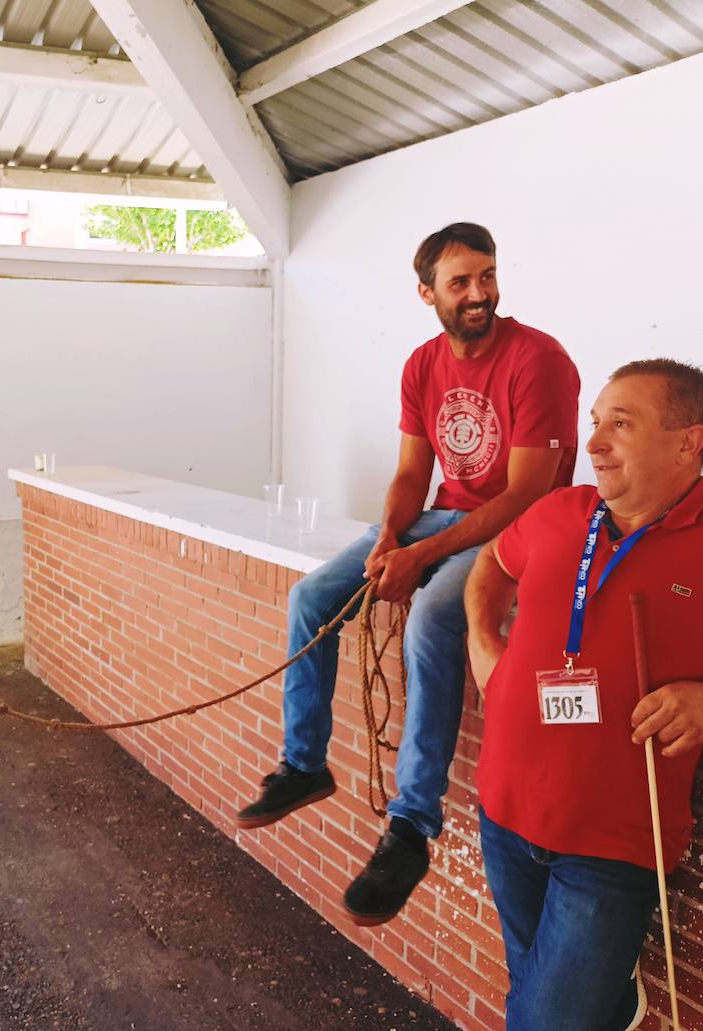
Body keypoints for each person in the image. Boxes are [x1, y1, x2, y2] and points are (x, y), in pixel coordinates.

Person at [234, 222, 581, 927]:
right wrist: (391, 537)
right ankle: (304, 764)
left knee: (430, 620)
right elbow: (411, 473)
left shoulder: (538, 359)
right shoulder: (423, 364)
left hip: (520, 530)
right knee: (312, 597)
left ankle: (411, 825)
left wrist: (419, 558)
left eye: (487, 276)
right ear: (427, 293)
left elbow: (526, 495)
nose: (479, 293)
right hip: (442, 517)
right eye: (461, 282)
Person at [464, 359, 703, 1030]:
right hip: (503, 811)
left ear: (688, 442)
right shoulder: (559, 512)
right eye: (595, 422)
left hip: (611, 844)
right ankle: (610, 999)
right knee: (534, 994)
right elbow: (491, 563)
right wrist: (483, 640)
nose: (592, 442)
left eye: (619, 424)